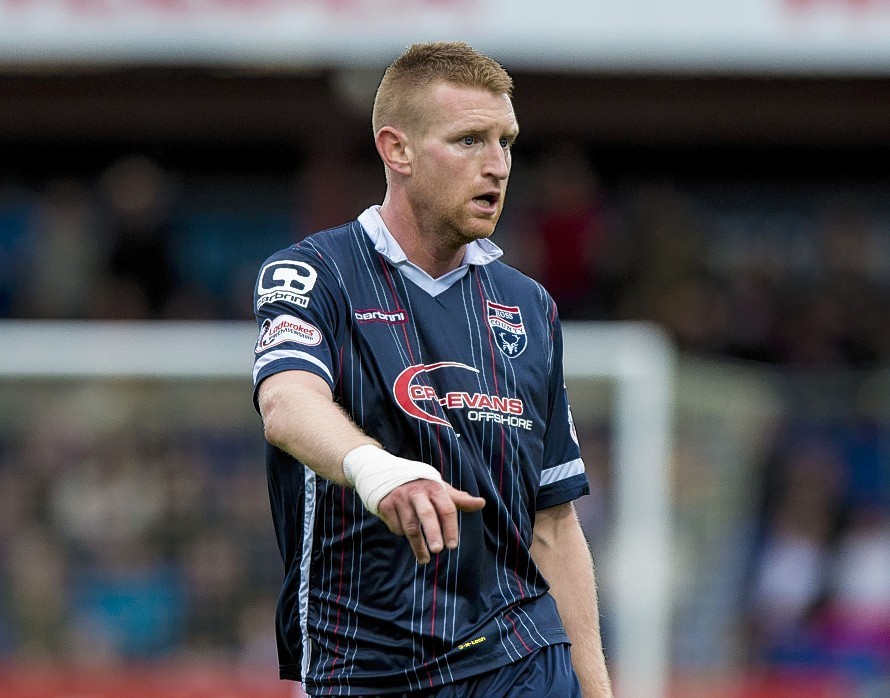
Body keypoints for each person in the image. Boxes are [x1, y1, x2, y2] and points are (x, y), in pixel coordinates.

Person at [252, 41, 612, 697]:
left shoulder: (530, 307)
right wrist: (378, 471)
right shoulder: (315, 274)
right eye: (470, 140)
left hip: (520, 663)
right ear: (399, 151)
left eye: (505, 141)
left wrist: (597, 690)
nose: (497, 165)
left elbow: (553, 523)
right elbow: (286, 403)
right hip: (363, 672)